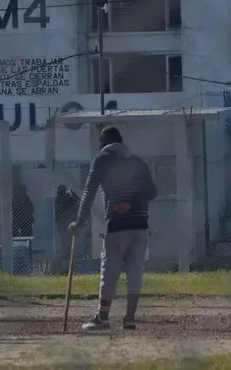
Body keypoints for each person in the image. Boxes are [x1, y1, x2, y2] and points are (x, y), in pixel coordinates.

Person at [69, 126, 157, 332]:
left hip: (117, 225)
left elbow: (89, 192)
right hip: (141, 225)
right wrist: (134, 203)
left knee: (110, 270)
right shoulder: (137, 162)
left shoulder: (102, 160)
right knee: (135, 271)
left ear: (103, 144)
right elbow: (152, 192)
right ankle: (130, 318)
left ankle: (102, 318)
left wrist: (79, 222)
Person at [54, 185, 80, 269]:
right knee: (68, 248)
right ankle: (66, 265)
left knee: (66, 248)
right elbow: (78, 201)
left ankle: (65, 265)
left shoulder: (58, 199)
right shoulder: (68, 199)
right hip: (67, 227)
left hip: (63, 227)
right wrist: (72, 193)